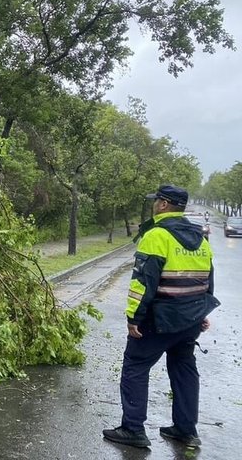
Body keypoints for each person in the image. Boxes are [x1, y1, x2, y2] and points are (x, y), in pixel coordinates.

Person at [103, 184, 220, 449]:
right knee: (184, 369)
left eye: (157, 201)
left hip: (159, 320)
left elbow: (143, 282)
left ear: (164, 204)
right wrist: (202, 313)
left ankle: (133, 429)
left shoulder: (157, 235)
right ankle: (185, 430)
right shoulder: (200, 238)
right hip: (190, 321)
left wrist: (134, 318)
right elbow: (208, 278)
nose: (155, 204)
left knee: (135, 366)